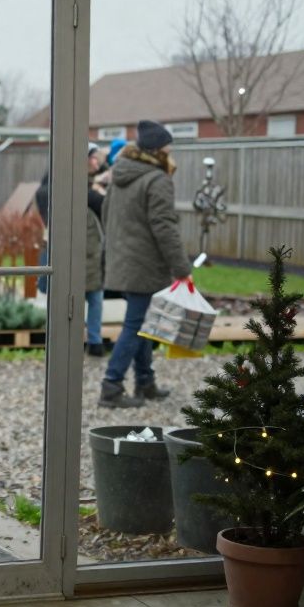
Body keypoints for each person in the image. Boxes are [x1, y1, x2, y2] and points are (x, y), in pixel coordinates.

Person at [98, 120, 190, 408]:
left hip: (122, 261)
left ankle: (146, 382)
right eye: (168, 147)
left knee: (142, 322)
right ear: (158, 150)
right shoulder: (157, 179)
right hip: (145, 265)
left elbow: (105, 214)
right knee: (136, 324)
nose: (170, 151)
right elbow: (165, 227)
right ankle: (111, 386)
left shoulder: (119, 175)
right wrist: (182, 268)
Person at [33, 145, 108, 356]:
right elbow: (103, 205)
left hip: (70, 250)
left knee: (72, 297)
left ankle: (73, 342)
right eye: (92, 159)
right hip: (81, 252)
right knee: (89, 296)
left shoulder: (50, 186)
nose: (96, 164)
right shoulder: (80, 191)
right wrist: (99, 189)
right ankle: (91, 342)